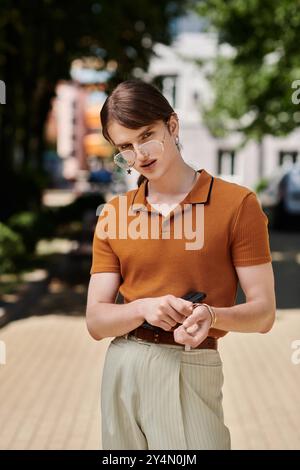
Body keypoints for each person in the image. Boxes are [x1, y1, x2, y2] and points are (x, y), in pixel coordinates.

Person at [86, 79, 276, 450]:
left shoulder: (237, 205)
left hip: (189, 366)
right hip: (123, 368)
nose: (139, 154)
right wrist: (142, 307)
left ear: (172, 126)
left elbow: (264, 314)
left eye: (147, 135)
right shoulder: (114, 214)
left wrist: (212, 316)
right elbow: (95, 321)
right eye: (125, 147)